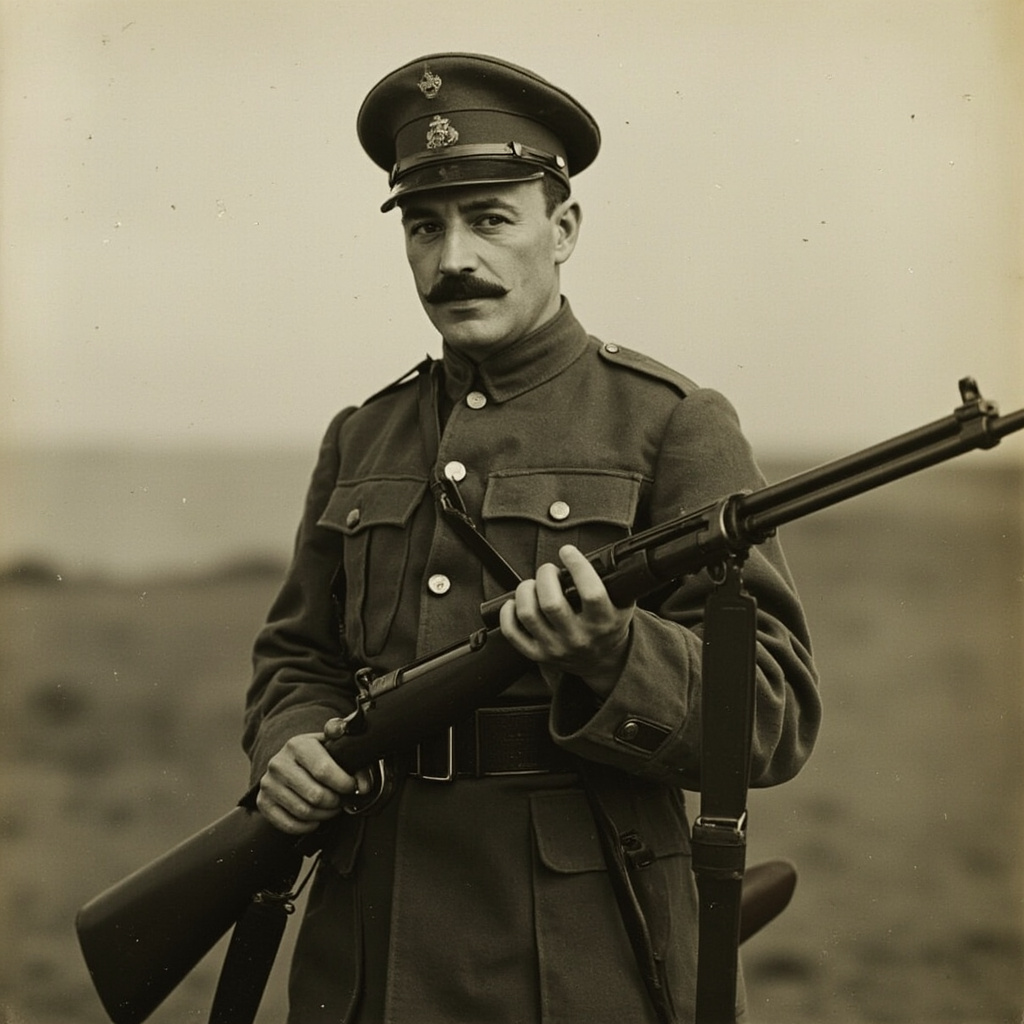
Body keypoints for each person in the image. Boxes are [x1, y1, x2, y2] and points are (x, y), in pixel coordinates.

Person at [243, 52, 821, 1024]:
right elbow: (299, 655)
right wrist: (287, 741)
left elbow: (770, 713)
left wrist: (613, 653)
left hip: (570, 949)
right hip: (370, 943)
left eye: (490, 219)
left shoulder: (670, 422)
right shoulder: (363, 434)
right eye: (424, 227)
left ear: (564, 230)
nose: (451, 258)